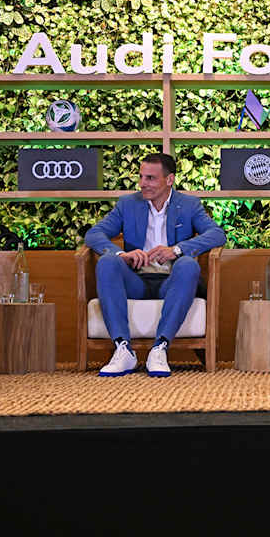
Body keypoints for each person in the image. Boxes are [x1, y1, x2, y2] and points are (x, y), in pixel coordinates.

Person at [85, 153, 225, 377]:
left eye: (150, 178)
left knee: (188, 265)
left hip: (171, 281)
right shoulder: (127, 204)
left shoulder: (189, 205)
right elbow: (94, 234)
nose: (143, 183)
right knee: (107, 262)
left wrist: (176, 250)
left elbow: (217, 234)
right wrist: (123, 254)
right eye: (141, 177)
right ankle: (123, 349)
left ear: (169, 180)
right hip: (136, 280)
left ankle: (160, 348)